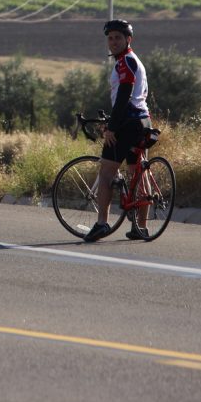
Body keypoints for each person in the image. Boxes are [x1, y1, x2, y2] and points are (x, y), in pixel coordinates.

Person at [84, 18, 152, 242]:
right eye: (110, 38)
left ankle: (102, 223)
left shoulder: (125, 62)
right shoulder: (135, 61)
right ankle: (140, 227)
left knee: (106, 173)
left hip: (128, 123)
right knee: (136, 172)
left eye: (118, 38)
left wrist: (112, 127)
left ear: (128, 39)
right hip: (142, 122)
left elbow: (124, 96)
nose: (113, 42)